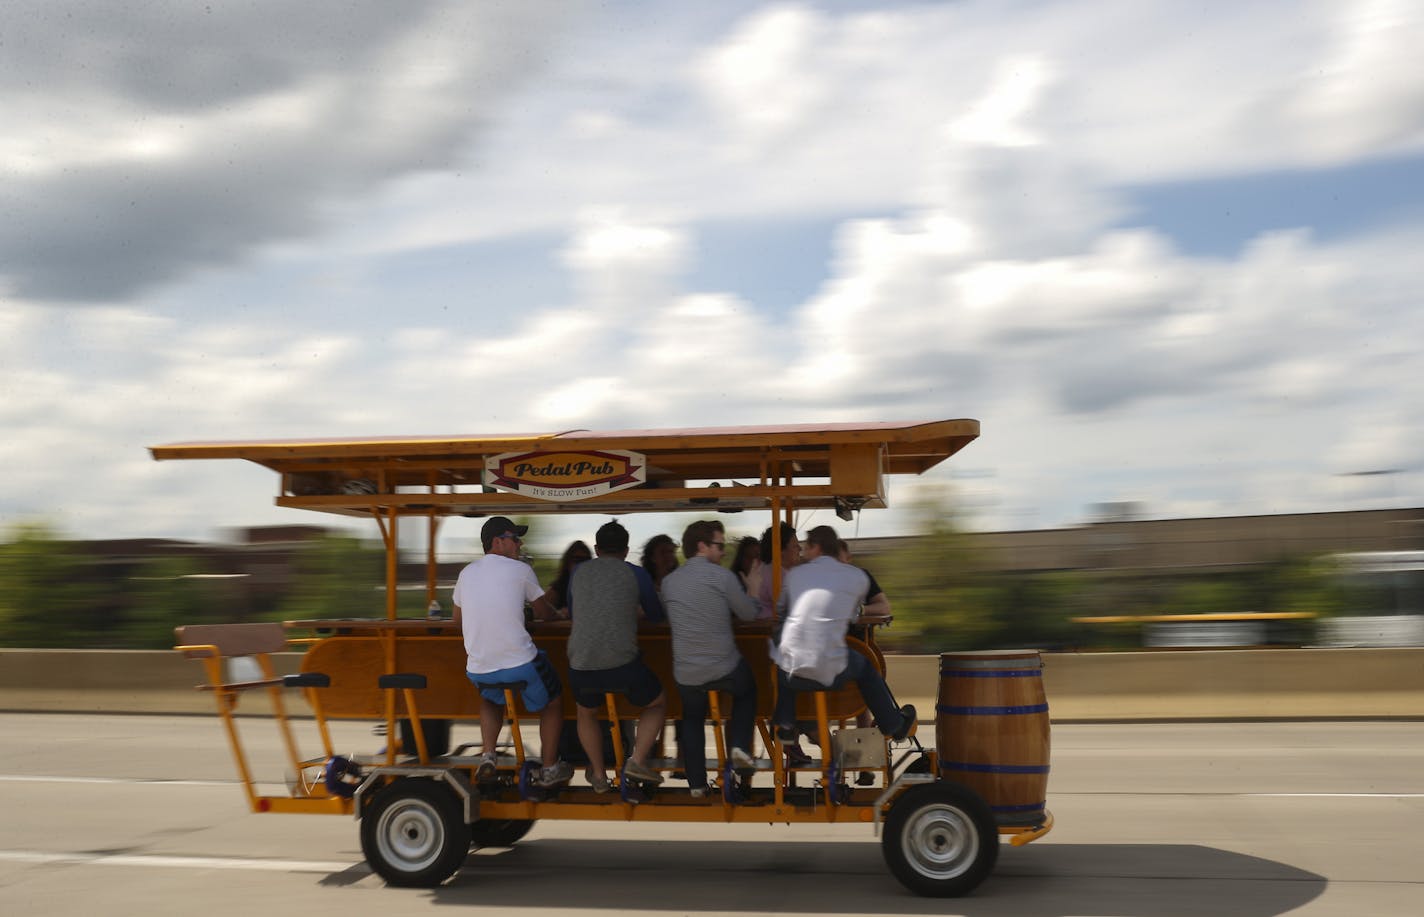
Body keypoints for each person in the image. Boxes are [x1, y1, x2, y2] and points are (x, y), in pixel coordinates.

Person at [452, 516, 573, 788]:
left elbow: (457, 621)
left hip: (479, 667)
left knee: (490, 697)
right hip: (520, 662)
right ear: (497, 542)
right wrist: (560, 613)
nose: (520, 543)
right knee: (553, 701)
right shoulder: (520, 570)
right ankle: (551, 767)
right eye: (515, 538)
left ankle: (488, 755)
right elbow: (543, 613)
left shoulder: (466, 573)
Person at [772, 524, 915, 748]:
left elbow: (781, 610)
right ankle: (892, 724)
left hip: (793, 670)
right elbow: (852, 613)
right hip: (831, 667)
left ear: (816, 547)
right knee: (867, 667)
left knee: (784, 651)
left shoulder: (795, 574)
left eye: (806, 547)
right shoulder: (857, 576)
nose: (803, 552)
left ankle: (786, 725)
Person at [661, 520, 762, 796]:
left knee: (692, 717)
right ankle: (740, 747)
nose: (724, 552)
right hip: (723, 667)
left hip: (686, 672)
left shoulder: (669, 583)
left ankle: (696, 784)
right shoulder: (723, 577)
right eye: (720, 545)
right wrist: (753, 588)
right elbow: (749, 614)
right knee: (748, 689)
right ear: (702, 546)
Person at [567, 521, 668, 792]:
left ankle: (599, 776)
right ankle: (636, 760)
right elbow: (657, 615)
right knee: (657, 702)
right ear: (626, 550)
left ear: (597, 549)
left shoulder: (578, 572)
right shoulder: (636, 574)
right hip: (622, 665)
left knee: (585, 711)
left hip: (581, 664)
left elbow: (577, 613)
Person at [755, 521, 802, 619]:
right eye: (795, 546)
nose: (800, 549)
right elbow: (789, 607)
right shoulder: (773, 573)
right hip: (768, 627)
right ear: (781, 550)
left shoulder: (783, 571)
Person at [542, 540, 592, 618]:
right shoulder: (558, 587)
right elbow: (539, 612)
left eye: (586, 560)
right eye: (576, 560)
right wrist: (559, 614)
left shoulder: (595, 587)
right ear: (567, 563)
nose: (581, 565)